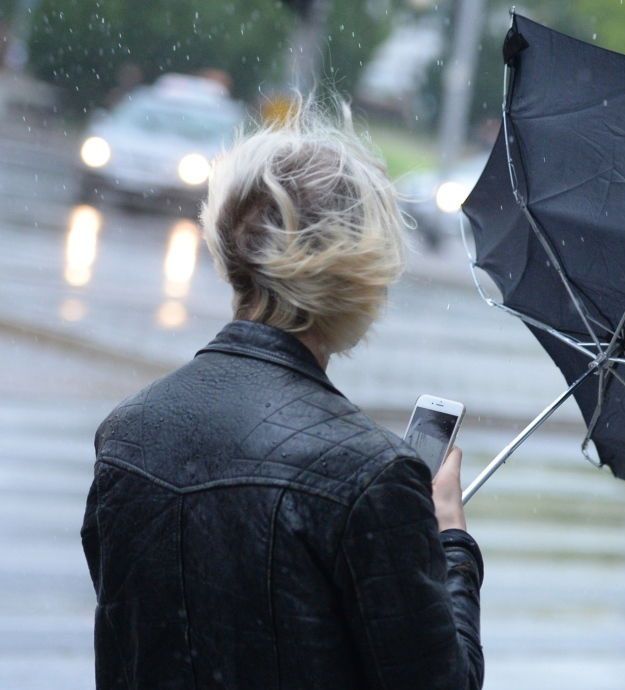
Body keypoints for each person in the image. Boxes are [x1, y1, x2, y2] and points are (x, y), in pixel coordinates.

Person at [80, 97, 485, 690]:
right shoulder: (373, 475)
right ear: (359, 273)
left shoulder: (127, 431)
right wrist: (450, 540)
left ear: (228, 239)